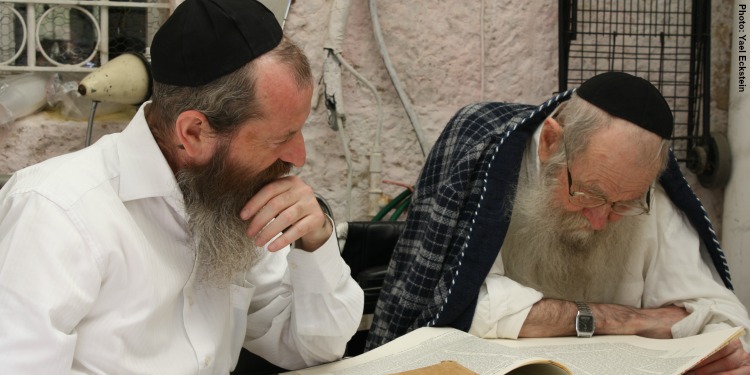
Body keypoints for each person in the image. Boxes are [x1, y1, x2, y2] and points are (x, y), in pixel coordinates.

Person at [0, 0, 364, 373]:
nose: (298, 156)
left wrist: (315, 239)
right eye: (279, 138)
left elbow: (313, 350)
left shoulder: (229, 194)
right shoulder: (55, 212)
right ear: (193, 132)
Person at [366, 72, 750, 372]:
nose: (600, 220)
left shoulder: (644, 192)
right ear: (551, 141)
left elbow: (726, 318)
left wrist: (724, 357)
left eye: (623, 204)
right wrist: (629, 320)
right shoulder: (488, 159)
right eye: (589, 194)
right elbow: (466, 308)